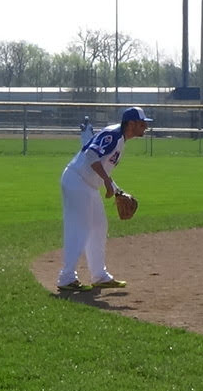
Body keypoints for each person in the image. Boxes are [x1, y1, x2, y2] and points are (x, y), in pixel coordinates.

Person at [57, 106, 152, 291]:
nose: (146, 127)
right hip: (77, 181)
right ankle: (66, 278)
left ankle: (99, 276)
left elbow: (102, 165)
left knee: (99, 227)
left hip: (88, 185)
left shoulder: (120, 139)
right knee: (79, 228)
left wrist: (116, 190)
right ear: (131, 124)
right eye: (142, 123)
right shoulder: (113, 135)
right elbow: (91, 155)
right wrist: (107, 182)